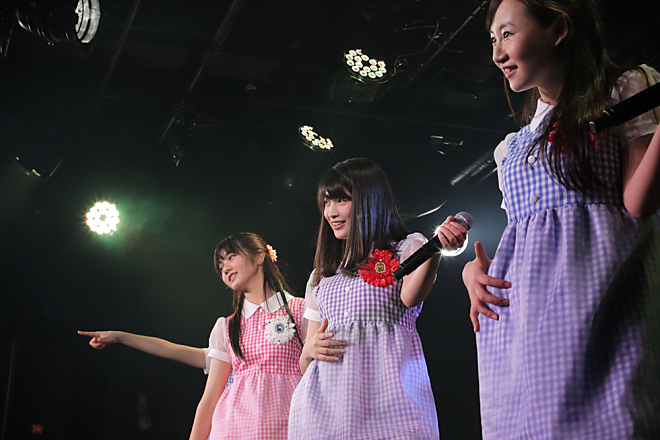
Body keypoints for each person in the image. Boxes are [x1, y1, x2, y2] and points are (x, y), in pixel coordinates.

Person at [462, 0, 660, 438]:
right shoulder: (511, 146)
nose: (497, 53)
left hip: (600, 315)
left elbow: (639, 202)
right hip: (521, 335)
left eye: (507, 34)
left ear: (558, 30)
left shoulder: (623, 90)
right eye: (492, 40)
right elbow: (523, 238)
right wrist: (473, 273)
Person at [288, 157, 467, 439]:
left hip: (388, 402)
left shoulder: (406, 248)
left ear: (369, 199)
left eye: (341, 200)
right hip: (323, 411)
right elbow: (305, 361)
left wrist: (436, 250)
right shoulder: (322, 275)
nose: (331, 212)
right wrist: (309, 350)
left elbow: (411, 296)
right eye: (326, 202)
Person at [189, 232, 305, 440]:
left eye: (231, 257)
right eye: (220, 266)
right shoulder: (227, 327)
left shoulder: (299, 310)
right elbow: (210, 398)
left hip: (289, 422)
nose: (225, 268)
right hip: (234, 427)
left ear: (259, 257)